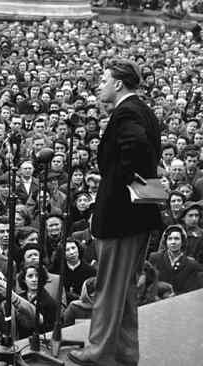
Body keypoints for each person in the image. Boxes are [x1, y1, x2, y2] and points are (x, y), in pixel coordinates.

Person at [70, 59, 164, 366]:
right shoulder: (144, 110)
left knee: (109, 286)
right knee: (124, 288)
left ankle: (98, 351)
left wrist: (117, 184)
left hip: (121, 217)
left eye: (104, 80)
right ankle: (125, 352)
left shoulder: (126, 113)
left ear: (118, 84)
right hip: (140, 215)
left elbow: (136, 150)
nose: (100, 85)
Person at [149, 225, 203, 294]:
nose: (173, 242)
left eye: (177, 239)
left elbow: (191, 290)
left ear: (183, 241)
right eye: (170, 239)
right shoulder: (155, 258)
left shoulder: (191, 264)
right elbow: (149, 283)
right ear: (165, 241)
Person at [16, 264, 58, 338]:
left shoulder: (50, 302)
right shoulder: (19, 297)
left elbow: (50, 330)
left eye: (37, 276)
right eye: (30, 276)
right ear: (24, 279)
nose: (34, 279)